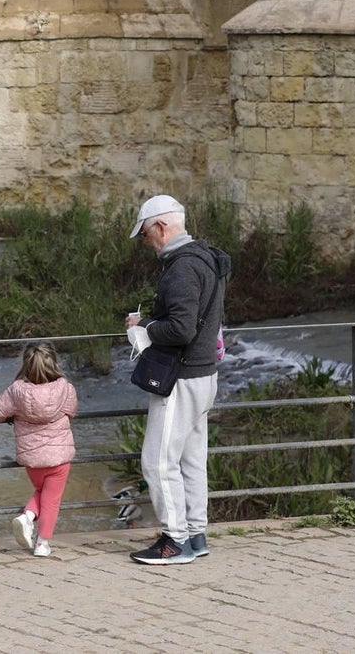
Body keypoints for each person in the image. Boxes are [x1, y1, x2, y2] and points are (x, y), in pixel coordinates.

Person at [125, 194, 231, 565]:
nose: (145, 242)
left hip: (181, 379)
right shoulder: (207, 257)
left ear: (161, 226)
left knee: (157, 461)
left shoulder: (182, 267)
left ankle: (174, 541)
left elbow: (181, 329)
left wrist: (144, 325)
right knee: (192, 459)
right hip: (205, 374)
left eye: (145, 234)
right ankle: (196, 535)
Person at [0, 342, 78, 558]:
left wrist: (13, 414)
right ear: (54, 363)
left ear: (25, 366)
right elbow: (71, 411)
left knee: (42, 491)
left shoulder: (16, 391)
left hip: (32, 458)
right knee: (51, 499)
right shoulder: (66, 389)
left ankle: (27, 517)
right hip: (59, 456)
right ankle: (42, 544)